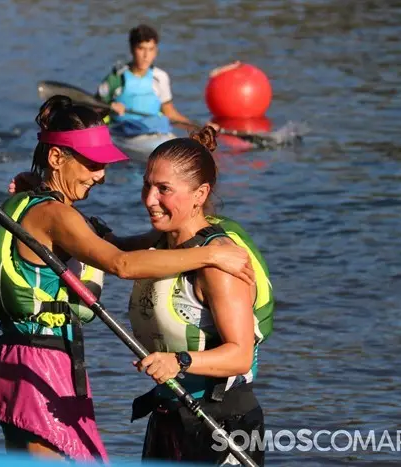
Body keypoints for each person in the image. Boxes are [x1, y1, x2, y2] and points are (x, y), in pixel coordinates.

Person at [0, 95, 256, 463]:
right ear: (57, 158)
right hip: (40, 364)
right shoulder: (55, 215)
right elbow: (122, 263)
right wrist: (210, 254)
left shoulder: (32, 202)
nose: (101, 175)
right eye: (93, 163)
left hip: (25, 358)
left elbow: (118, 246)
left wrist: (188, 239)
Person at [126, 126, 274, 466]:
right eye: (147, 185)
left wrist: (178, 361)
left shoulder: (221, 263)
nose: (149, 199)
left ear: (200, 194)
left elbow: (240, 355)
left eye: (163, 189)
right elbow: (108, 253)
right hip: (168, 414)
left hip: (223, 422)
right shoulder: (162, 243)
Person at [94, 24, 194, 138]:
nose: (146, 55)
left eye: (150, 49)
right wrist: (109, 107)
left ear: (156, 51)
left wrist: (196, 128)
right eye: (141, 49)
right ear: (132, 49)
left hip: (156, 133)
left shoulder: (160, 77)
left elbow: (170, 114)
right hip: (123, 135)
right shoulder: (116, 79)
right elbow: (94, 111)